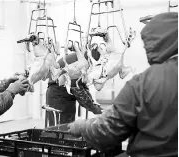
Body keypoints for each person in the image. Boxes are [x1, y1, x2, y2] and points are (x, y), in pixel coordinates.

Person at [68, 12, 178, 157]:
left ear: (156, 44)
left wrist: (83, 127)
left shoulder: (143, 84)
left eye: (147, 46)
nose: (146, 50)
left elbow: (108, 132)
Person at [46, 44, 102, 127]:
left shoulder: (82, 58)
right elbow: (79, 91)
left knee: (68, 128)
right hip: (58, 97)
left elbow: (82, 85)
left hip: (67, 95)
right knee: (59, 129)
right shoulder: (79, 65)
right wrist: (94, 108)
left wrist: (93, 103)